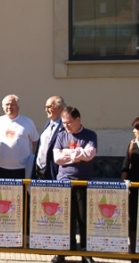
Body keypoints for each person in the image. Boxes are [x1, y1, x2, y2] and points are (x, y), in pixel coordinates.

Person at [53, 106, 97, 263]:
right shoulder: (61, 135)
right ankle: (63, 251)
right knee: (64, 218)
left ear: (78, 120)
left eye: (69, 122)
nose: (66, 125)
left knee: (83, 218)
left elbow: (89, 154)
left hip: (82, 181)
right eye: (63, 122)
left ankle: (86, 253)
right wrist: (78, 154)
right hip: (64, 181)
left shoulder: (89, 135)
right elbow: (57, 158)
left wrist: (68, 153)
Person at [0, 94, 38, 179]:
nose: (9, 107)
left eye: (12, 104)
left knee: (22, 192)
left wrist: (35, 160)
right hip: (1, 168)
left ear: (18, 106)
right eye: (7, 104)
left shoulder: (28, 122)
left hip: (23, 169)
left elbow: (35, 142)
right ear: (2, 107)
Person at [32, 96, 66, 180]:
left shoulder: (65, 126)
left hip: (54, 171)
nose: (46, 110)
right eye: (45, 107)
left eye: (49, 107)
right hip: (40, 170)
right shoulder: (48, 124)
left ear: (59, 108)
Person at [121, 117, 139, 263]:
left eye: (137, 128)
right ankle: (133, 252)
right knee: (132, 218)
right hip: (133, 188)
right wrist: (124, 182)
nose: (134, 131)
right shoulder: (132, 144)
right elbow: (125, 166)